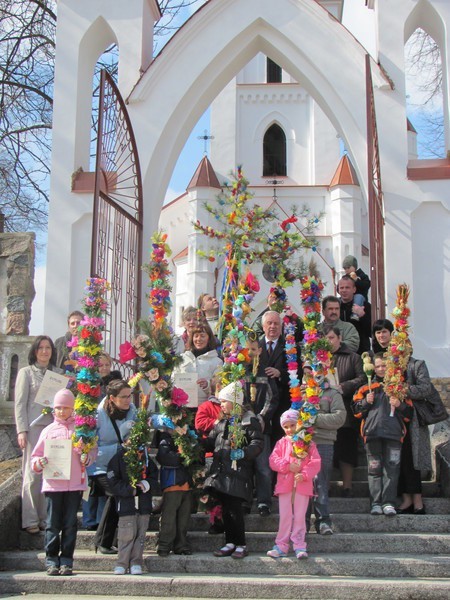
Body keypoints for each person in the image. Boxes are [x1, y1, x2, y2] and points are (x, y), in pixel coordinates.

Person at [30, 389, 96, 576]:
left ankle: (67, 560)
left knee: (69, 524)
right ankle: (51, 560)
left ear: (73, 408)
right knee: (52, 524)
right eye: (58, 407)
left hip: (75, 484)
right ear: (53, 409)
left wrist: (86, 457)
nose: (61, 411)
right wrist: (39, 463)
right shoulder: (48, 431)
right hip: (53, 484)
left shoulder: (81, 430)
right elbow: (35, 457)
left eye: (66, 407)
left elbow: (92, 453)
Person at [204, 381, 263, 559]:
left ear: (235, 402)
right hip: (221, 472)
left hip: (238, 472)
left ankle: (241, 543)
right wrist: (191, 437)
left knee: (235, 510)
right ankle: (229, 541)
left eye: (224, 401)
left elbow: (257, 443)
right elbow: (210, 442)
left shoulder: (248, 420)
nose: (221, 405)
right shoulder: (221, 422)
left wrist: (243, 453)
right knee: (226, 509)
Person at [353, 354, 413, 516]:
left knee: (392, 470)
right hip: (372, 434)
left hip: (394, 435)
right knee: (374, 470)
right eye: (378, 366)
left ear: (390, 368)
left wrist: (399, 405)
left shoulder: (398, 388)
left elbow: (409, 415)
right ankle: (376, 503)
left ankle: (388, 502)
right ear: (372, 367)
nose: (381, 369)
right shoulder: (366, 388)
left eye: (384, 366)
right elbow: (356, 411)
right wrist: (366, 401)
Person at [14, 335, 64, 533]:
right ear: (35, 351)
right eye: (41, 348)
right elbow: (20, 404)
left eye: (48, 348)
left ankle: (46, 518)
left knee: (50, 473)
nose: (45, 351)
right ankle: (31, 519)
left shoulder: (58, 374)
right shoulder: (26, 373)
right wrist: (22, 430)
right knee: (32, 473)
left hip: (54, 428)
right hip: (34, 428)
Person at [267, 409, 321, 559]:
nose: (290, 429)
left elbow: (315, 462)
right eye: (286, 426)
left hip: (302, 486)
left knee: (299, 517)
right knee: (285, 516)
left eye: (292, 425)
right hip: (285, 485)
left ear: (299, 424)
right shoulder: (281, 443)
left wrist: (304, 475)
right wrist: (287, 466)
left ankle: (299, 544)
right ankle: (281, 545)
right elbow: (273, 460)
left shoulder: (308, 442)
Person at [106, 420, 159, 575]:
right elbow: (112, 480)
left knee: (140, 534)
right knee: (126, 534)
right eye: (131, 437)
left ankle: (136, 561)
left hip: (143, 504)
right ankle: (122, 562)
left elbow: (154, 476)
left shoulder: (146, 458)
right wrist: (129, 489)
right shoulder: (118, 458)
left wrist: (146, 484)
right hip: (126, 504)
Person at [92, 380, 137, 554]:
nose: (128, 400)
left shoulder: (132, 410)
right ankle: (104, 540)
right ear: (112, 398)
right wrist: (120, 447)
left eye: (129, 395)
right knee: (116, 493)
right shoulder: (98, 414)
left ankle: (104, 540)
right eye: (123, 397)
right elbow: (92, 448)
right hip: (100, 465)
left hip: (120, 466)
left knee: (116, 496)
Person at [82, 351, 122, 531]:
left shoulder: (116, 385)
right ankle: (89, 520)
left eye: (107, 365)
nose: (104, 368)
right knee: (91, 485)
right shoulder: (88, 385)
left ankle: (101, 520)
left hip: (109, 438)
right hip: (92, 436)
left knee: (105, 483)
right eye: (100, 365)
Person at [324, 325, 365, 497]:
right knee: (325, 450)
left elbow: (362, 378)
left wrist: (344, 386)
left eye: (332, 338)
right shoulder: (318, 358)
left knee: (346, 449)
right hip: (324, 410)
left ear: (339, 338)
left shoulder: (353, 357)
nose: (329, 341)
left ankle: (347, 486)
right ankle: (324, 485)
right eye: (325, 338)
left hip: (346, 410)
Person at [243, 335, 279, 516]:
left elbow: (272, 398)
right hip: (243, 426)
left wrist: (262, 417)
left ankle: (264, 502)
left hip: (262, 427)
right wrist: (247, 415)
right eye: (247, 349)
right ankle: (245, 499)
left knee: (263, 466)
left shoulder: (266, 373)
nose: (251, 353)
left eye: (254, 349)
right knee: (244, 466)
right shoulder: (239, 372)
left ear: (260, 351)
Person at [308, 368, 346, 535]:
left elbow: (339, 418)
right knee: (303, 484)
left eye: (318, 369)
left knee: (321, 482)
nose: (315, 374)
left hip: (323, 441)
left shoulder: (332, 393)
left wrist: (314, 418)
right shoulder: (300, 391)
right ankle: (302, 522)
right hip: (303, 442)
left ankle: (323, 520)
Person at [397, 355, 433, 514]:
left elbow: (426, 388)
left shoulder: (417, 364)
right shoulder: (388, 364)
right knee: (397, 459)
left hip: (412, 419)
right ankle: (406, 498)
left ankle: (417, 499)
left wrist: (403, 389)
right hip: (393, 418)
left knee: (412, 459)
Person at [154, 428, 194, 556]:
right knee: (168, 518)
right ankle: (164, 546)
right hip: (172, 483)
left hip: (187, 484)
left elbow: (197, 458)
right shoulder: (165, 438)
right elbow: (166, 458)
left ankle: (181, 545)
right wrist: (183, 454)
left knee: (184, 519)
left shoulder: (190, 438)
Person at [258, 310, 293, 446]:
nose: (272, 326)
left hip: (282, 399)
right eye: (269, 323)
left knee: (279, 438)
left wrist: (280, 373)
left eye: (276, 324)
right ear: (263, 327)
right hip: (261, 399)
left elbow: (297, 373)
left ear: (281, 326)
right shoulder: (255, 346)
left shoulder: (290, 346)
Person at [173, 321, 223, 408]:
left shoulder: (216, 361)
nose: (198, 339)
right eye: (196, 336)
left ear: (209, 339)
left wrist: (207, 385)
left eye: (202, 336)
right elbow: (173, 379)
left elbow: (218, 386)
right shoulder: (182, 358)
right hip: (182, 408)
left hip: (204, 409)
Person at [338, 276, 372, 354]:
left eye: (347, 287)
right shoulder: (335, 307)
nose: (344, 290)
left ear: (354, 289)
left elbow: (372, 333)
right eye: (341, 288)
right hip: (340, 353)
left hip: (361, 353)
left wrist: (362, 316)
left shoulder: (364, 306)